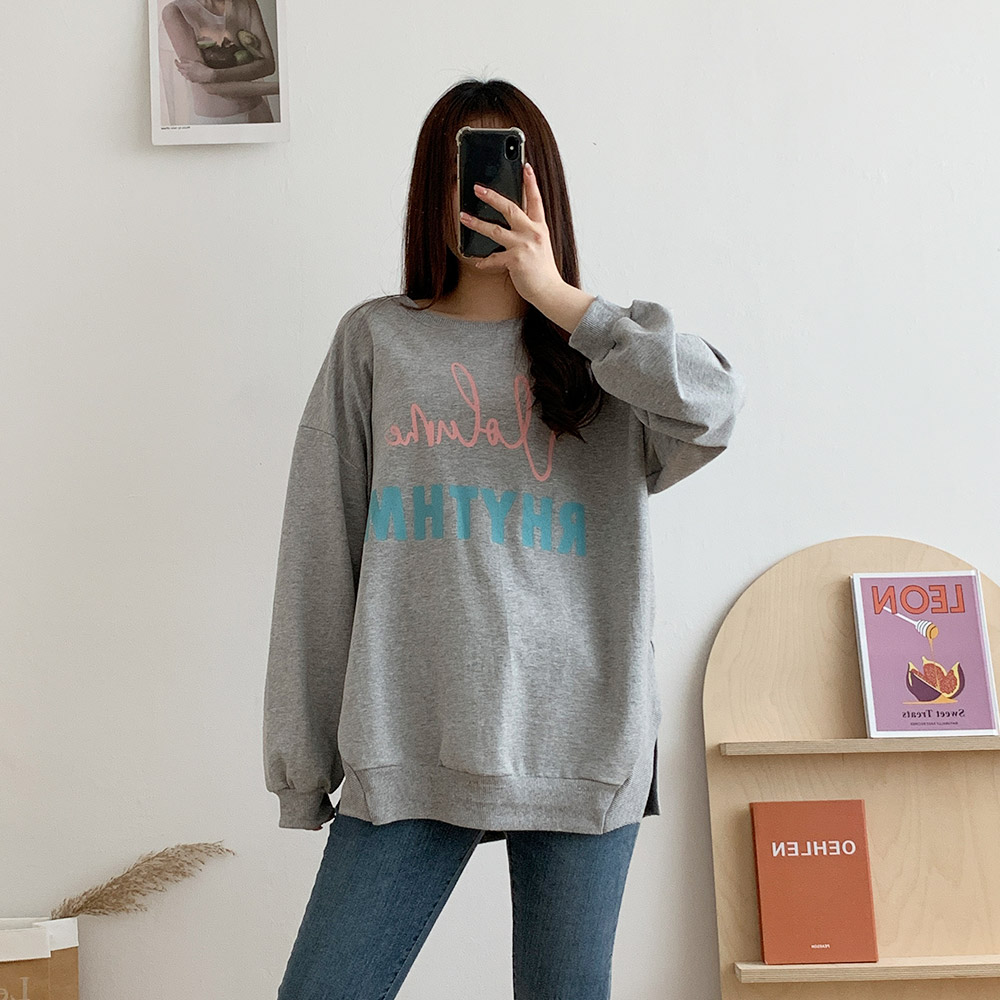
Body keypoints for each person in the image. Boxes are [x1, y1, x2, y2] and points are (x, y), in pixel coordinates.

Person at [263, 78, 747, 1000]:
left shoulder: (609, 354)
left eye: (503, 170)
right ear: (430, 191)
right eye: (462, 172)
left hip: (581, 744)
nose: (482, 194)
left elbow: (716, 408)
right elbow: (319, 555)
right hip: (410, 740)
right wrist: (303, 761)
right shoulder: (376, 342)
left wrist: (564, 301)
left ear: (541, 188)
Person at [162, 0, 276, 124]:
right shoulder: (175, 11)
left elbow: (268, 65)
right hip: (214, 123)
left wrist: (213, 75)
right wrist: (279, 88)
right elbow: (211, 87)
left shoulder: (247, 3)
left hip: (259, 114)